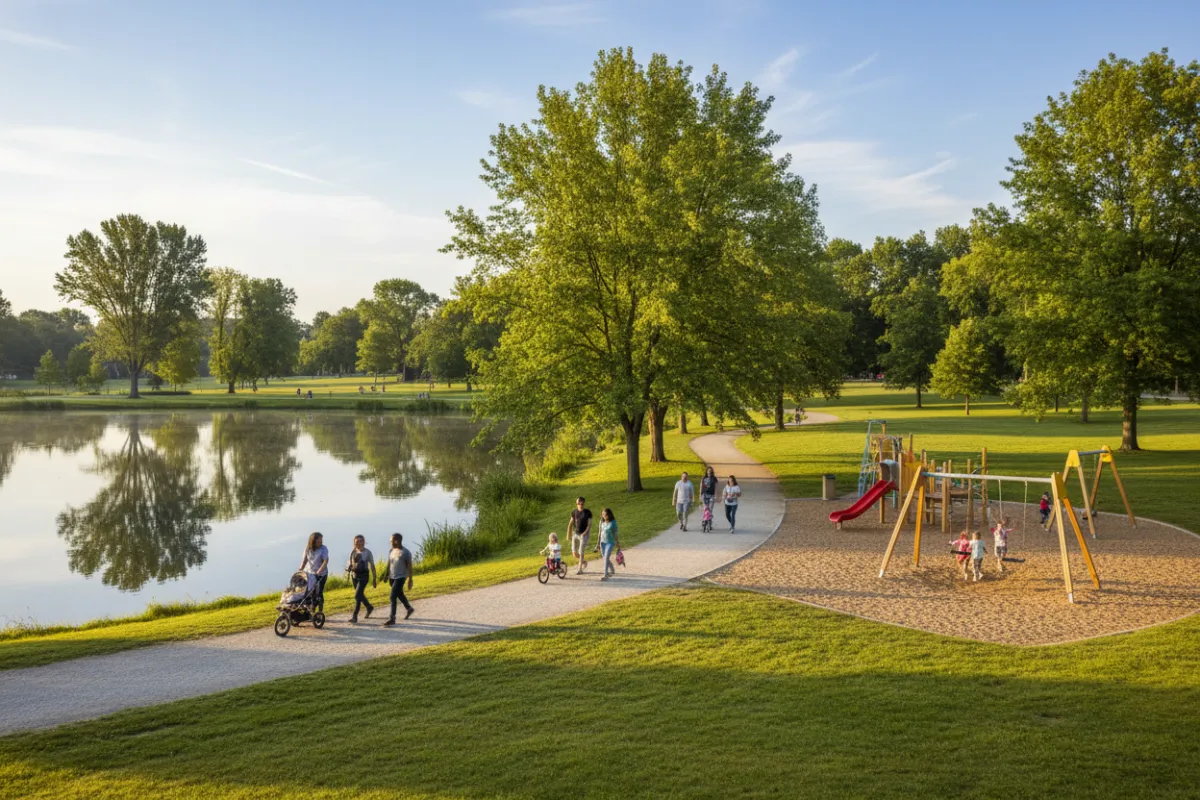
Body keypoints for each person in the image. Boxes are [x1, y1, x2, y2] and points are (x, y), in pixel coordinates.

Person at [384, 533, 414, 625]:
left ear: (396, 541)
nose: (390, 542)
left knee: (393, 596)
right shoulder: (391, 551)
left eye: (391, 540)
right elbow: (389, 564)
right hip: (392, 577)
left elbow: (409, 566)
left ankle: (392, 618)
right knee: (399, 594)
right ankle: (409, 608)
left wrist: (410, 579)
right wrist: (386, 575)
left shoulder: (405, 552)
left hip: (401, 577)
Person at [346, 535, 377, 623]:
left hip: (364, 576)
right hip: (354, 576)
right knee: (359, 595)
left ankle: (354, 616)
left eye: (360, 541)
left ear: (364, 542)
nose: (359, 543)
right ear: (354, 543)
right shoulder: (353, 552)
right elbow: (351, 564)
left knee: (357, 595)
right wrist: (349, 568)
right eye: (357, 542)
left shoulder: (368, 553)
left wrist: (374, 579)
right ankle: (369, 607)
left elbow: (372, 566)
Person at [298, 532, 330, 611]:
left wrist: (320, 570)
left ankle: (320, 611)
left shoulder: (323, 549)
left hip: (321, 574)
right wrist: (301, 568)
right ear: (313, 541)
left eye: (321, 541)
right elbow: (305, 559)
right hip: (309, 573)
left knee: (319, 592)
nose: (320, 542)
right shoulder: (308, 548)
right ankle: (311, 609)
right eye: (318, 541)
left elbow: (325, 561)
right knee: (309, 592)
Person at [568, 497, 593, 574]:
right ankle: (584, 562)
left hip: (584, 534)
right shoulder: (574, 512)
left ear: (584, 503)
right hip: (576, 533)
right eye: (578, 503)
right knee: (574, 553)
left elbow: (589, 525)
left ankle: (580, 569)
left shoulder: (588, 512)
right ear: (577, 504)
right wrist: (568, 535)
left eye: (581, 503)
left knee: (581, 551)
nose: (580, 505)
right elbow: (570, 524)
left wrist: (585, 533)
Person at [598, 508, 621, 580]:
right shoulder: (601, 522)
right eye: (602, 514)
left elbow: (615, 533)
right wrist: (597, 543)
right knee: (605, 558)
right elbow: (599, 533)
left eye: (605, 515)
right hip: (602, 542)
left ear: (609, 515)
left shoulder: (613, 522)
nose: (603, 516)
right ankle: (612, 569)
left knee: (606, 557)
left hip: (610, 543)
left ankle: (605, 574)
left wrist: (617, 542)